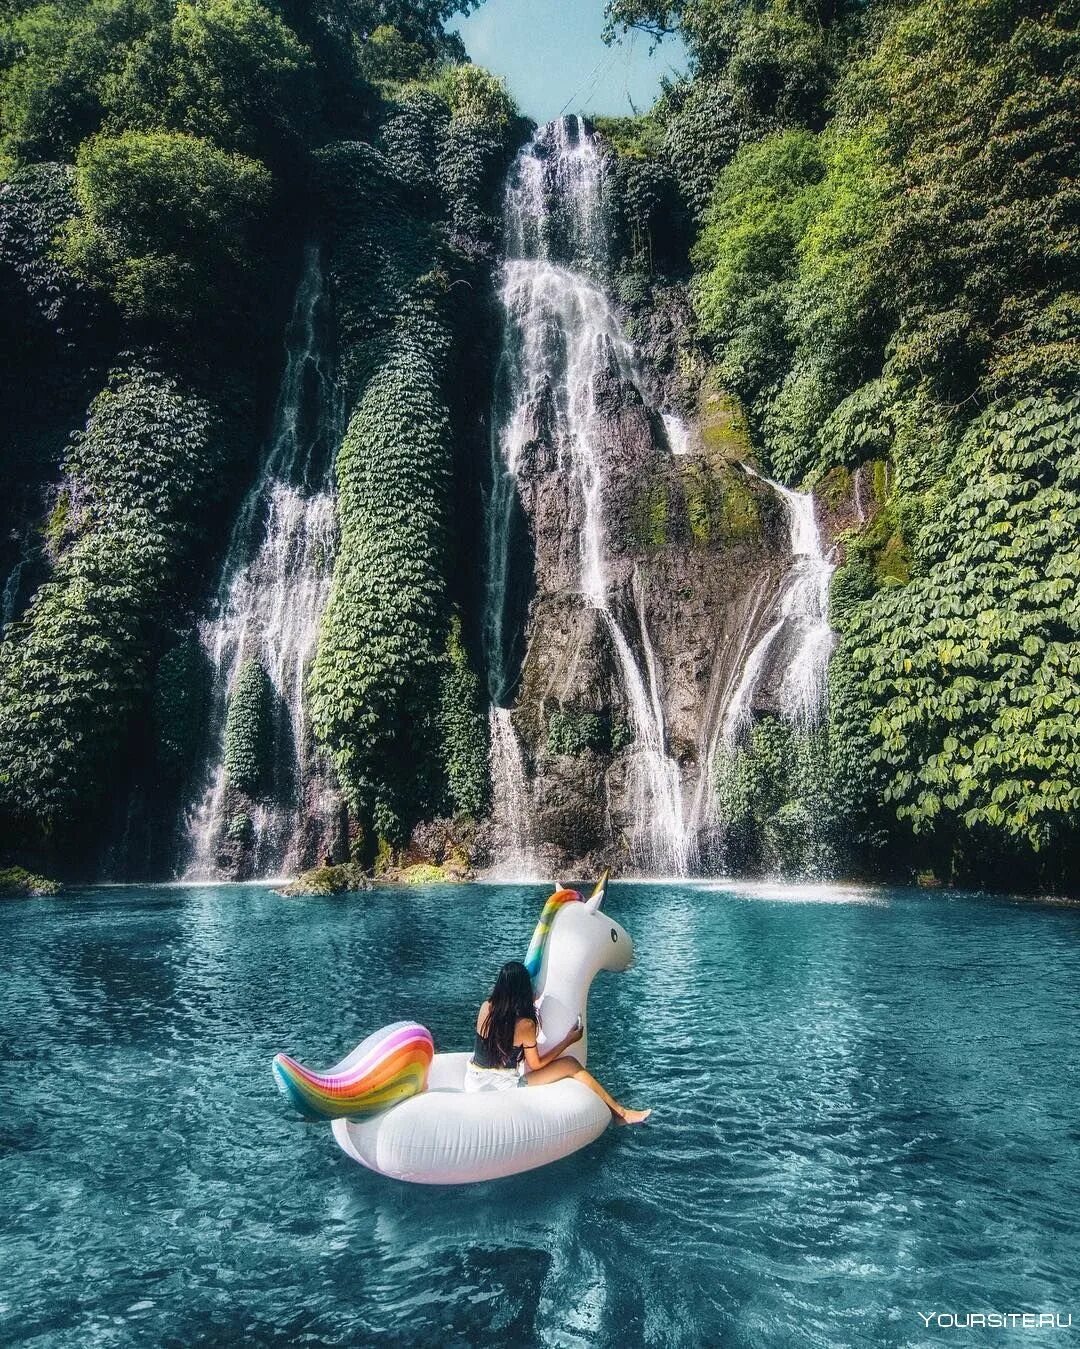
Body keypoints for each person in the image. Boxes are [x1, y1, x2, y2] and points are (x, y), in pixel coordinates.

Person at [465, 959, 650, 1125]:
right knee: (571, 1065)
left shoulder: (485, 1008)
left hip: (473, 1080)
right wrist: (567, 1041)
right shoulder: (525, 1025)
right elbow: (536, 1065)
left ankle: (622, 1114)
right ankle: (622, 1114)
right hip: (501, 1087)